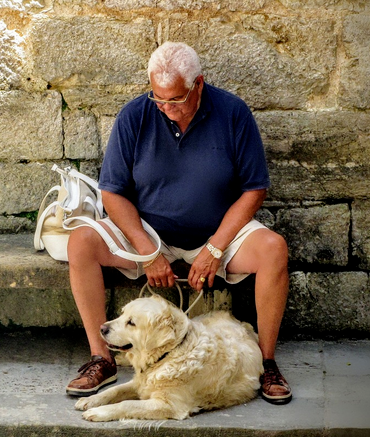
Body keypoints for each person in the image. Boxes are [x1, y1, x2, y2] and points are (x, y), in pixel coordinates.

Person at [65, 41, 292, 405]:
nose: (167, 108)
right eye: (159, 98)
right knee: (81, 242)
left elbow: (254, 189)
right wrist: (147, 250)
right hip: (150, 233)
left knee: (273, 249)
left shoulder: (233, 113)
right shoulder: (135, 115)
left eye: (176, 99)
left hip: (219, 232)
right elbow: (112, 193)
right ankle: (101, 358)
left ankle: (266, 364)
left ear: (198, 84)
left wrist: (216, 247)